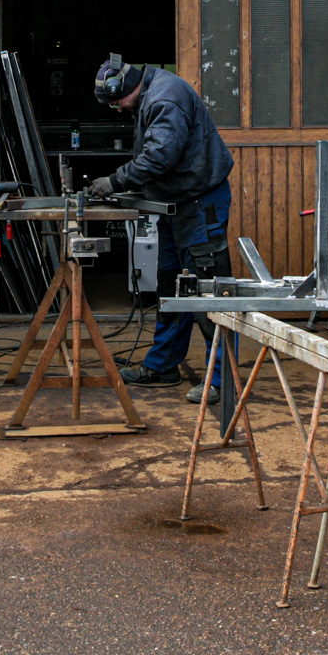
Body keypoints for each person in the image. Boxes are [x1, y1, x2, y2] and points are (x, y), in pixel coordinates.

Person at [86, 54, 235, 405]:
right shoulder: (150, 92)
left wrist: (115, 181)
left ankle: (222, 379)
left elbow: (159, 157)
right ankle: (163, 366)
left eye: (116, 102)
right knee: (171, 285)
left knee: (208, 289)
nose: (118, 109)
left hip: (200, 204)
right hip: (177, 203)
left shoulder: (165, 98)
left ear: (124, 87)